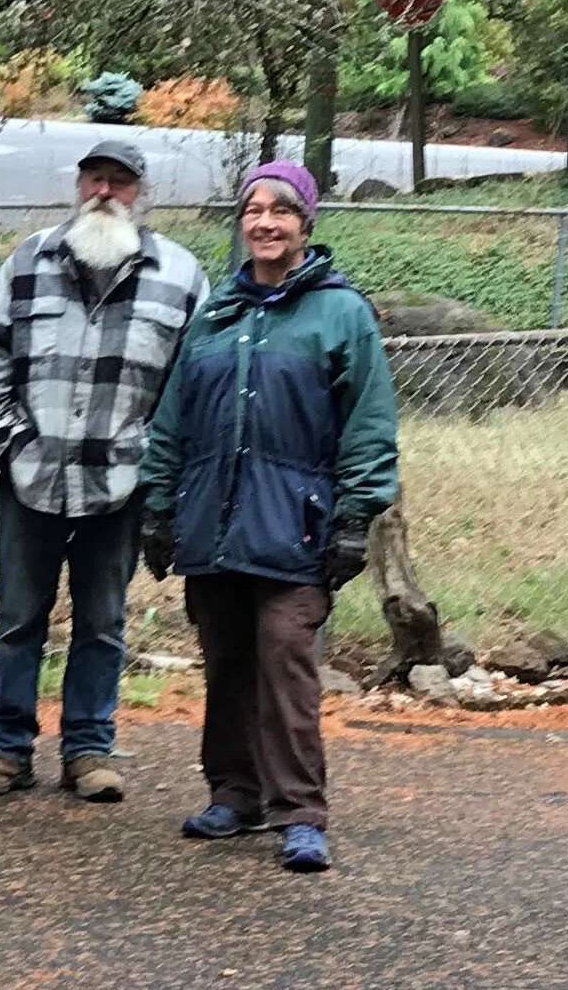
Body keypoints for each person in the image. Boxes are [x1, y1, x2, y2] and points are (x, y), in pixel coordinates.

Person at [138, 160, 399, 874]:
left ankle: (300, 812)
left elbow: (368, 423)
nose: (264, 222)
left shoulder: (340, 314)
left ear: (305, 223)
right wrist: (157, 505)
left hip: (296, 524)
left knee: (285, 660)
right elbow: (172, 418)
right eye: (253, 210)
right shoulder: (215, 314)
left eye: (280, 210)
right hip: (213, 519)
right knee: (225, 660)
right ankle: (234, 793)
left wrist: (355, 517)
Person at [0, 140, 209, 804]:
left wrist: (156, 463)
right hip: (32, 473)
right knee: (18, 620)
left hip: (121, 483)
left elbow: (190, 384)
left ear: (140, 192)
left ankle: (88, 750)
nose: (104, 192)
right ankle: (6, 748)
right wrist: (5, 441)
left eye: (118, 182)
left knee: (102, 623)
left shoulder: (180, 274)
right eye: (94, 178)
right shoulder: (27, 260)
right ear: (78, 186)